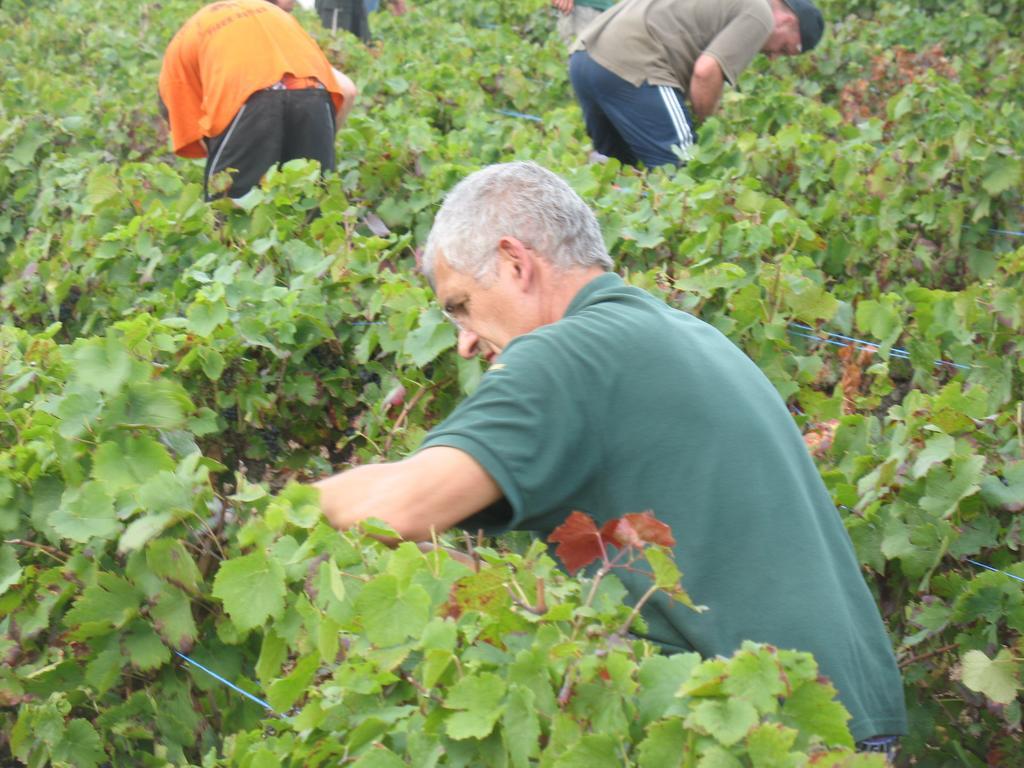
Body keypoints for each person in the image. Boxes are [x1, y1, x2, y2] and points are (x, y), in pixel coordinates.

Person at [315, 161, 907, 754]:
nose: (464, 339)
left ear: (516, 263)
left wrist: (282, 508)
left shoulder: (568, 355)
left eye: (461, 304)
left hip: (763, 738)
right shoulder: (688, 334)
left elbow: (395, 507)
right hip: (841, 720)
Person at [568, 0, 825, 167]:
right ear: (789, 22)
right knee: (686, 169)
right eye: (785, 49)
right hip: (633, 62)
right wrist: (701, 127)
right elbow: (706, 71)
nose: (774, 56)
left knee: (618, 169)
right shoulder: (761, 13)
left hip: (584, 58)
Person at [158, 0, 358, 199]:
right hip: (313, 95)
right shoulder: (276, 18)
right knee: (311, 207)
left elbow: (196, 131)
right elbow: (348, 90)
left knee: (226, 212)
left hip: (253, 102)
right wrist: (316, 142)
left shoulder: (176, 63)